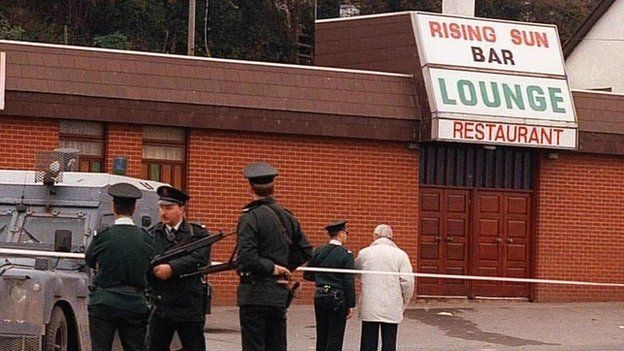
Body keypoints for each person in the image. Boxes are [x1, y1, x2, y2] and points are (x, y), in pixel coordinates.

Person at [236, 161, 313, 351]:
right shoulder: (287, 216)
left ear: (251, 187)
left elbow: (247, 256)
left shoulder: (250, 217)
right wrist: (285, 268)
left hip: (254, 293)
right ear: (273, 187)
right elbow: (306, 250)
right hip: (278, 294)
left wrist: (272, 268)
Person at [86, 182, 154, 351]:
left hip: (104, 301)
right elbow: (151, 267)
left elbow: (89, 260)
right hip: (134, 303)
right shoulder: (145, 238)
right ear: (135, 208)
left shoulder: (104, 235)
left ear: (114, 207)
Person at [147, 185, 211, 351]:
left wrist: (172, 268)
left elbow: (200, 258)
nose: (163, 212)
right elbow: (147, 260)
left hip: (188, 303)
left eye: (169, 208)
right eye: (161, 207)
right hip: (162, 303)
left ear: (181, 208)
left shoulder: (197, 234)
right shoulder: (153, 233)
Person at [355, 224, 414, 351]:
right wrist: (404, 300)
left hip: (370, 303)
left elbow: (355, 272)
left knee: (368, 341)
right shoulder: (401, 255)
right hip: (392, 303)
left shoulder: (364, 253)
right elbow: (408, 281)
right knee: (389, 341)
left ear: (375, 236)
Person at [303, 219, 356, 351]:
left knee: (322, 333)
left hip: (320, 295)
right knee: (335, 336)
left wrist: (322, 278)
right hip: (337, 298)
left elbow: (307, 274)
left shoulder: (319, 251)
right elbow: (348, 281)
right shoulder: (346, 254)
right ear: (342, 233)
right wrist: (351, 304)